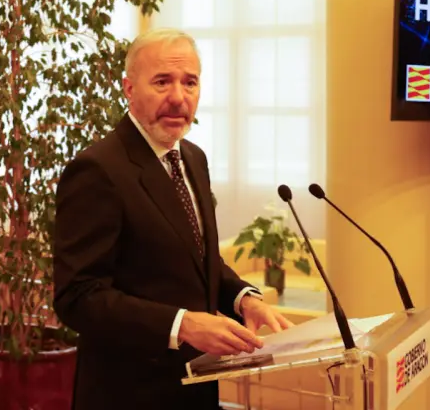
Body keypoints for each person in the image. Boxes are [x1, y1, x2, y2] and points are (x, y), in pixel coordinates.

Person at [53, 28, 294, 409]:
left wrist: (243, 299)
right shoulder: (97, 169)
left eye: (190, 82)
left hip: (196, 388)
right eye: (162, 82)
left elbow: (196, 259)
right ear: (129, 89)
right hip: (129, 394)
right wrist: (183, 325)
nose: (179, 98)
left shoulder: (193, 158)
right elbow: (77, 296)